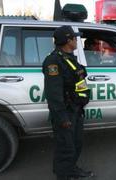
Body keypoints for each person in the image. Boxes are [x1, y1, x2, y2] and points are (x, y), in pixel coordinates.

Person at [42, 25, 94, 180]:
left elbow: (77, 80)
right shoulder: (53, 62)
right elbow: (54, 94)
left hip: (75, 109)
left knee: (76, 144)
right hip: (65, 112)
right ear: (67, 40)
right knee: (65, 148)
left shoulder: (69, 58)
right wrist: (62, 118)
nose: (77, 40)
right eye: (74, 38)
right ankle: (63, 175)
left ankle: (71, 170)